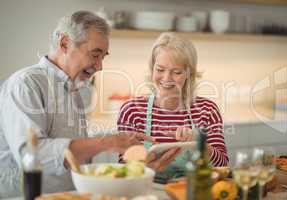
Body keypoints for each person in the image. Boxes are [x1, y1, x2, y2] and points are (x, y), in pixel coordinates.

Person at [0, 11, 177, 198]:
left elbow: (79, 151)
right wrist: (107, 142)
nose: (99, 66)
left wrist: (134, 160)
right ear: (65, 43)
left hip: (67, 194)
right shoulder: (25, 84)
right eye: (95, 55)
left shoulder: (76, 89)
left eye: (103, 57)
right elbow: (32, 154)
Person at [117, 32, 229, 177]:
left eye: (176, 72)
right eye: (160, 70)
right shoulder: (132, 111)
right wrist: (143, 163)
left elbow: (223, 165)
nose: (166, 78)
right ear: (152, 69)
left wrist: (198, 143)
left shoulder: (207, 110)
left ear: (189, 74)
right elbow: (123, 170)